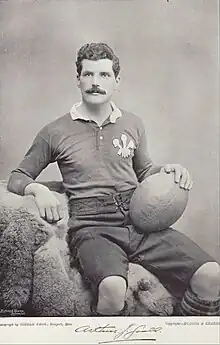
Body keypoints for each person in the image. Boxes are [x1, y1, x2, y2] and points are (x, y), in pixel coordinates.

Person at [7, 42, 220, 316]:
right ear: (78, 79)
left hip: (139, 223)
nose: (96, 83)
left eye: (104, 75)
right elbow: (17, 177)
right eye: (89, 74)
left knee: (211, 275)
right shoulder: (55, 131)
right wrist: (37, 189)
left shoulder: (133, 123)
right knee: (113, 289)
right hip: (93, 228)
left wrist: (169, 171)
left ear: (117, 81)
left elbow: (145, 171)